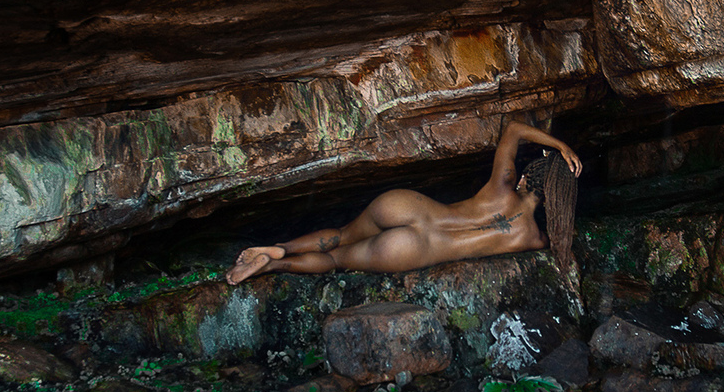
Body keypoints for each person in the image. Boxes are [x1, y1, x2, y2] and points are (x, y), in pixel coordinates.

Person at [226, 118, 582, 284]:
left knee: (342, 234)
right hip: (412, 250)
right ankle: (271, 267)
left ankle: (279, 248)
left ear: (524, 179)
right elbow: (561, 240)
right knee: (335, 261)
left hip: (409, 206)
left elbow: (514, 129)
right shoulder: (534, 239)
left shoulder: (502, 188)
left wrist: (560, 146)